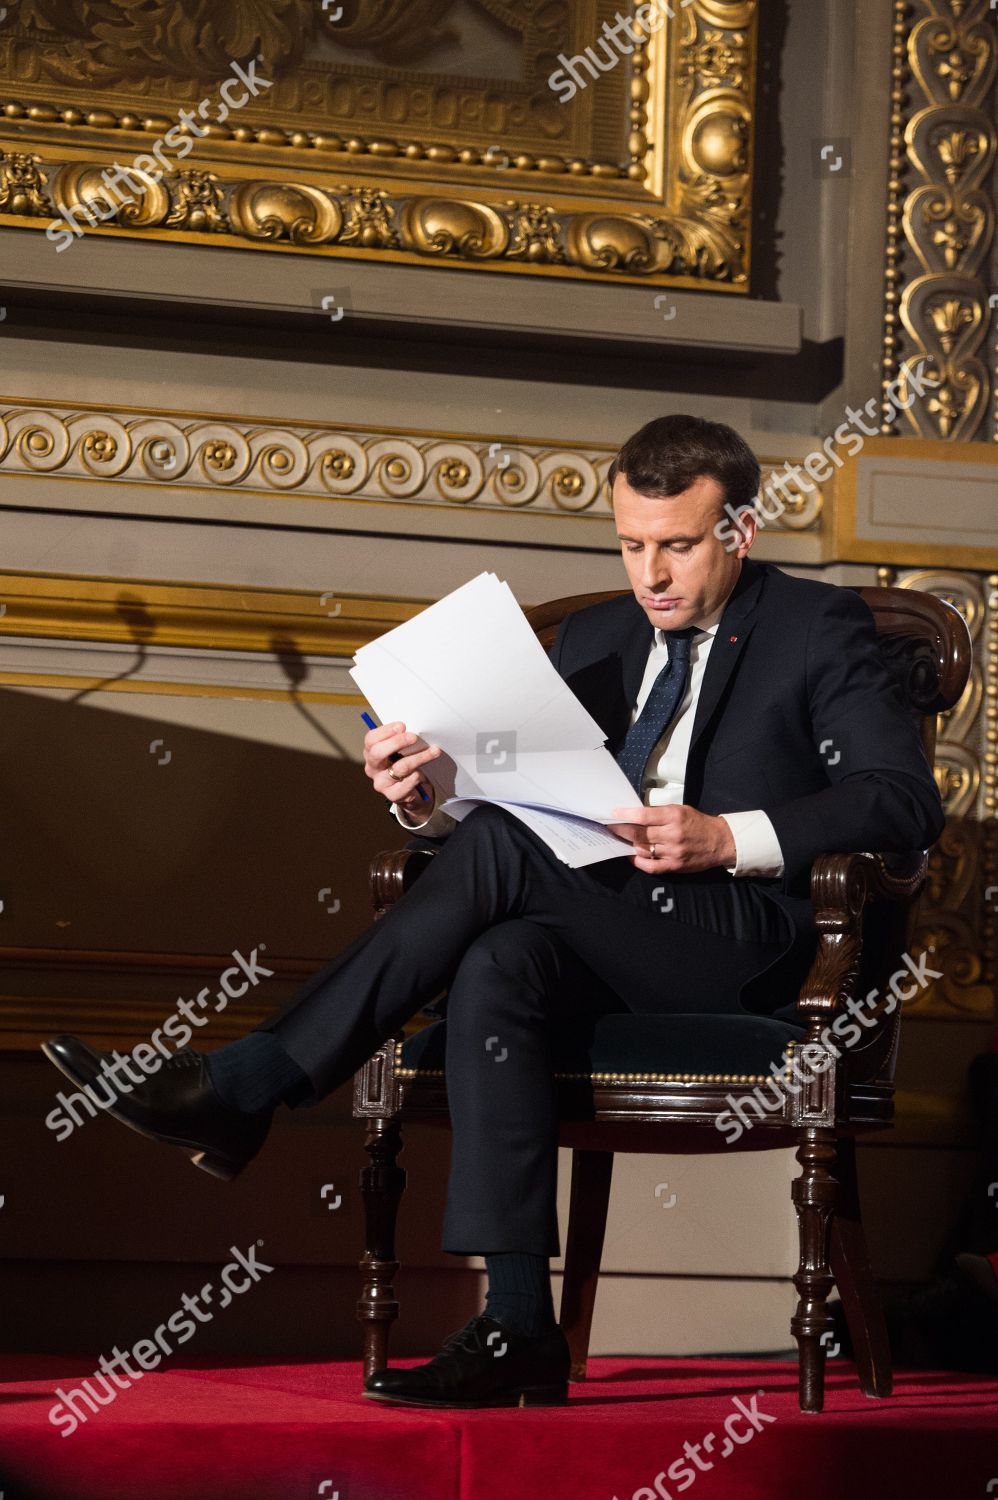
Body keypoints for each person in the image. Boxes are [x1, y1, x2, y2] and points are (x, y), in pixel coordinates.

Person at [41, 414, 944, 1410]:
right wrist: (425, 790)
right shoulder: (600, 637)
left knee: (509, 861)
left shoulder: (814, 626)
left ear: (736, 532)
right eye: (631, 545)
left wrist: (724, 835)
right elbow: (521, 798)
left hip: (753, 942)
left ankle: (249, 1079)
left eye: (677, 546)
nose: (651, 573)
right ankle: (518, 1326)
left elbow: (899, 803)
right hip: (600, 921)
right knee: (497, 961)